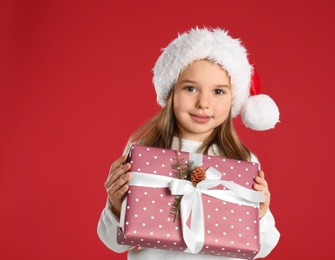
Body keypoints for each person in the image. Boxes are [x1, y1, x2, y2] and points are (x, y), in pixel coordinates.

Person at [97, 27, 280, 259]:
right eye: (191, 88)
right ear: (170, 91)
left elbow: (261, 248)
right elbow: (115, 243)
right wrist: (115, 205)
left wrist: (261, 214)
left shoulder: (242, 161)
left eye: (218, 91)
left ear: (234, 98)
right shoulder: (144, 152)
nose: (204, 102)